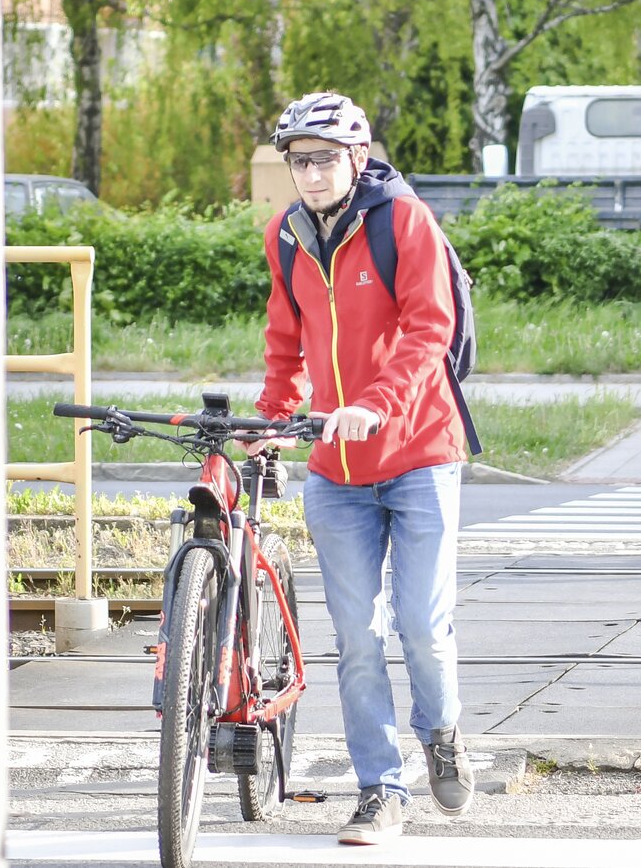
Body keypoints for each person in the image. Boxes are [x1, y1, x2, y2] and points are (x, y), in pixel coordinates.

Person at [250, 91, 474, 845]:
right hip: (337, 471)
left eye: (323, 160)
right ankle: (381, 790)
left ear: (357, 157)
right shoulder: (287, 237)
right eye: (298, 161)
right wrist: (273, 418)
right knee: (356, 637)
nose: (309, 175)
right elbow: (287, 340)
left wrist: (378, 402)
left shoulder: (403, 219)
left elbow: (428, 326)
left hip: (419, 453)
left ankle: (441, 731)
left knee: (421, 627)